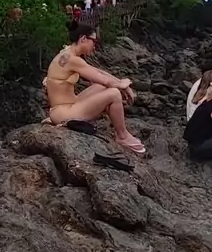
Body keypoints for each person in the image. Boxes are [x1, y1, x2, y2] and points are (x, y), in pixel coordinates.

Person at [43, 21, 145, 154]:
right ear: (83, 39)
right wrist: (122, 85)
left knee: (99, 87)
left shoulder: (67, 54)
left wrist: (120, 82)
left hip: (66, 106)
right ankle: (122, 136)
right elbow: (104, 80)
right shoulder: (72, 59)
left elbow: (97, 72)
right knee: (114, 93)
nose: (95, 46)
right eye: (94, 42)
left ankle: (120, 130)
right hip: (63, 112)